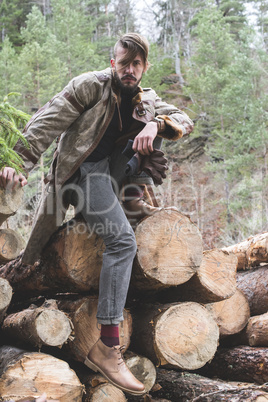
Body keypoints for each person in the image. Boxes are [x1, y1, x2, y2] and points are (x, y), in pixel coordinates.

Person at [0, 33, 194, 395]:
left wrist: (157, 124)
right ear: (113, 63)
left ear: (145, 67)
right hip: (82, 176)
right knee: (122, 244)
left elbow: (184, 118)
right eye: (124, 63)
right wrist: (15, 162)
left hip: (112, 175)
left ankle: (132, 202)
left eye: (137, 64)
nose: (130, 70)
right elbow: (46, 123)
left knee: (154, 142)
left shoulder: (145, 99)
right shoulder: (90, 87)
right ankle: (107, 346)